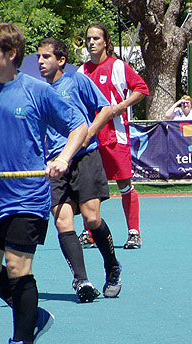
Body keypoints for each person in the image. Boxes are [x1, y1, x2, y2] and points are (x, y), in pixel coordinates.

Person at [0, 23, 87, 344]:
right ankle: (31, 316)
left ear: (10, 54)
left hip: (28, 197)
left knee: (18, 266)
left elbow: (78, 126)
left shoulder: (37, 91)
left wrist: (63, 158)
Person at [37, 38, 123, 302]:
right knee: (62, 221)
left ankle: (112, 266)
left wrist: (88, 135)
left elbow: (105, 108)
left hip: (85, 157)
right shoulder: (38, 91)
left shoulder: (77, 81)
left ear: (61, 60)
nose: (40, 62)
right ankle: (82, 280)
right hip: (55, 164)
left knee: (91, 219)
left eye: (46, 57)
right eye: (39, 57)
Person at [77, 22, 149, 249]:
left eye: (96, 39)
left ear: (106, 42)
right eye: (88, 39)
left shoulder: (118, 67)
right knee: (89, 187)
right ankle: (89, 233)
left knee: (124, 184)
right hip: (91, 138)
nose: (91, 43)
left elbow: (142, 89)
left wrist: (121, 107)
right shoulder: (81, 72)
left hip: (115, 136)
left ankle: (134, 232)